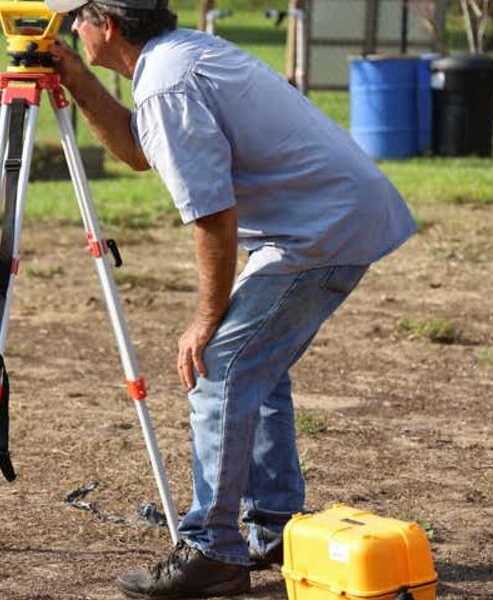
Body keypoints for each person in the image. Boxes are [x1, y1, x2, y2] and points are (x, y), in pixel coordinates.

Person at [45, 0, 417, 597]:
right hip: (331, 221)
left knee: (217, 368)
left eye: (75, 19)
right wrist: (80, 81)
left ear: (106, 26)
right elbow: (140, 152)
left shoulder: (168, 82)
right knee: (256, 371)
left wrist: (204, 318)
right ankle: (271, 527)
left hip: (317, 234)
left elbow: (213, 212)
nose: (68, 28)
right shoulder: (178, 57)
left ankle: (212, 550)